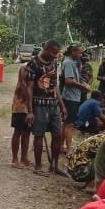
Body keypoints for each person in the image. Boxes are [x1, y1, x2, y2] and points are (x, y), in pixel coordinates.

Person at [24, 40, 66, 176]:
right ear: (47, 49)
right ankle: (38, 165)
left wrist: (62, 105)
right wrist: (30, 111)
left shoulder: (54, 63)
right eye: (54, 52)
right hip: (38, 105)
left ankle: (54, 165)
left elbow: (55, 86)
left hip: (53, 105)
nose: (55, 56)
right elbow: (29, 88)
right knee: (39, 135)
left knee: (58, 135)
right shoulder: (33, 63)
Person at [62, 43, 91, 155]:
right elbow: (68, 81)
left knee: (66, 123)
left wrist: (82, 83)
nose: (81, 54)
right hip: (70, 97)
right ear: (73, 52)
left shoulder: (72, 62)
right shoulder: (68, 63)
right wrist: (82, 87)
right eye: (79, 52)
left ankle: (62, 145)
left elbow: (74, 79)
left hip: (72, 96)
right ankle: (69, 149)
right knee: (70, 124)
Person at [11, 65, 32, 168]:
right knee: (18, 131)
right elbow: (23, 83)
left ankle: (24, 157)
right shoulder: (25, 67)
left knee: (27, 132)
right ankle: (15, 159)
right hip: (20, 104)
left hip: (30, 105)